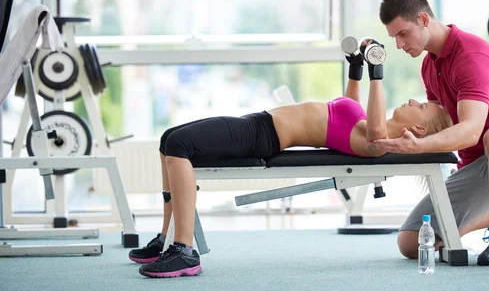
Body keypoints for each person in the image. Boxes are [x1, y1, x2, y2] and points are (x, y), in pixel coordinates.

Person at [128, 37, 453, 278]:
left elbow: (377, 132)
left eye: (422, 106)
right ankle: (166, 236)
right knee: (168, 139)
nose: (413, 99)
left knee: (180, 146)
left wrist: (377, 71)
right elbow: (348, 102)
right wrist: (357, 67)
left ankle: (184, 249)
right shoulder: (366, 122)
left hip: (263, 136)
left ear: (421, 130)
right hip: (259, 124)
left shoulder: (378, 141)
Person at [371, 0, 489, 266]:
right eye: (394, 38)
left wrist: (418, 147)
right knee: (411, 242)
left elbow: (471, 130)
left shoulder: (471, 56)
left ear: (424, 19)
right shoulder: (429, 66)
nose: (399, 45)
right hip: (475, 168)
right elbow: (436, 124)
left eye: (403, 34)